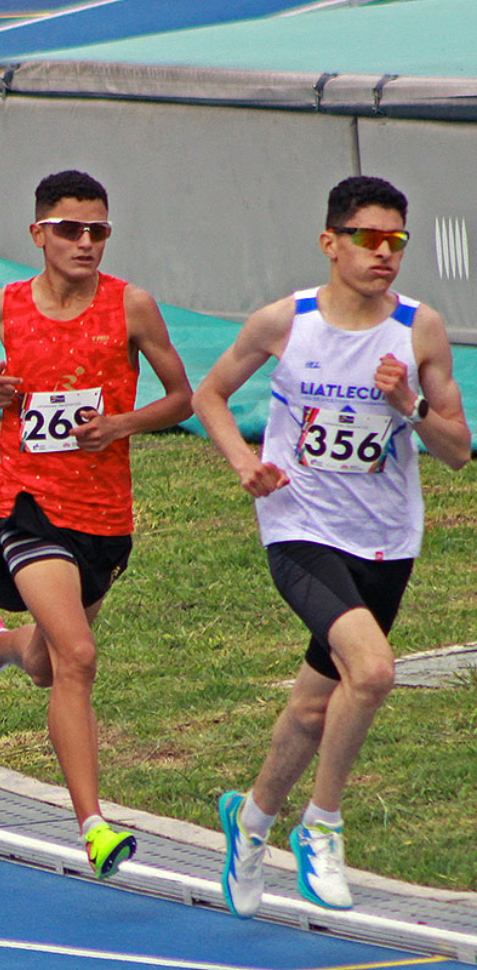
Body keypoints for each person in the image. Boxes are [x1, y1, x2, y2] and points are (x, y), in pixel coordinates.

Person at [192, 176, 470, 917]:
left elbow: (458, 451)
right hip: (299, 527)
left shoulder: (419, 331)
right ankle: (322, 827)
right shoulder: (286, 322)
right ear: (330, 243)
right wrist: (244, 463)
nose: (384, 254)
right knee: (372, 674)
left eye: (397, 242)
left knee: (317, 707)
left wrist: (406, 407)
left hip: (386, 541)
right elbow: (209, 395)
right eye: (368, 239)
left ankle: (249, 823)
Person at [0, 170, 193, 879]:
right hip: (30, 508)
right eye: (71, 230)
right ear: (38, 233)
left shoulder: (131, 306)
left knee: (47, 664)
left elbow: (180, 398)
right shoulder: (4, 306)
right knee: (77, 657)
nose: (86, 242)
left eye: (98, 231)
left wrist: (122, 424)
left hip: (104, 519)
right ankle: (94, 826)